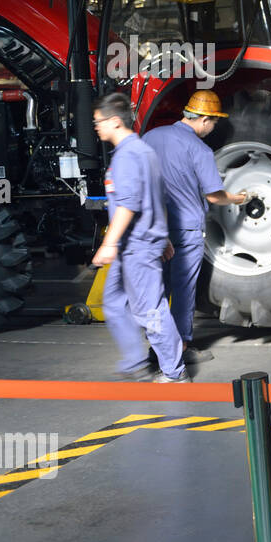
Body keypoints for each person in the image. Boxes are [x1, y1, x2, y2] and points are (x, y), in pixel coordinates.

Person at [142, 89, 248, 363]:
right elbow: (214, 196)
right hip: (186, 231)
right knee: (183, 290)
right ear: (203, 119)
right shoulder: (199, 149)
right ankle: (182, 349)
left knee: (158, 288)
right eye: (213, 122)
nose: (213, 128)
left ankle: (156, 347)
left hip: (154, 229)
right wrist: (240, 197)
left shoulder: (151, 137)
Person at [91, 92, 187, 383]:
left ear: (116, 121)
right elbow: (159, 198)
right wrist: (164, 237)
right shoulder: (142, 151)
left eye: (99, 122)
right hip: (137, 243)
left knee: (150, 310)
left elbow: (129, 204)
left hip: (137, 245)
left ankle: (175, 372)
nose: (96, 127)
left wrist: (108, 244)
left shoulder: (129, 155)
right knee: (114, 301)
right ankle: (135, 361)